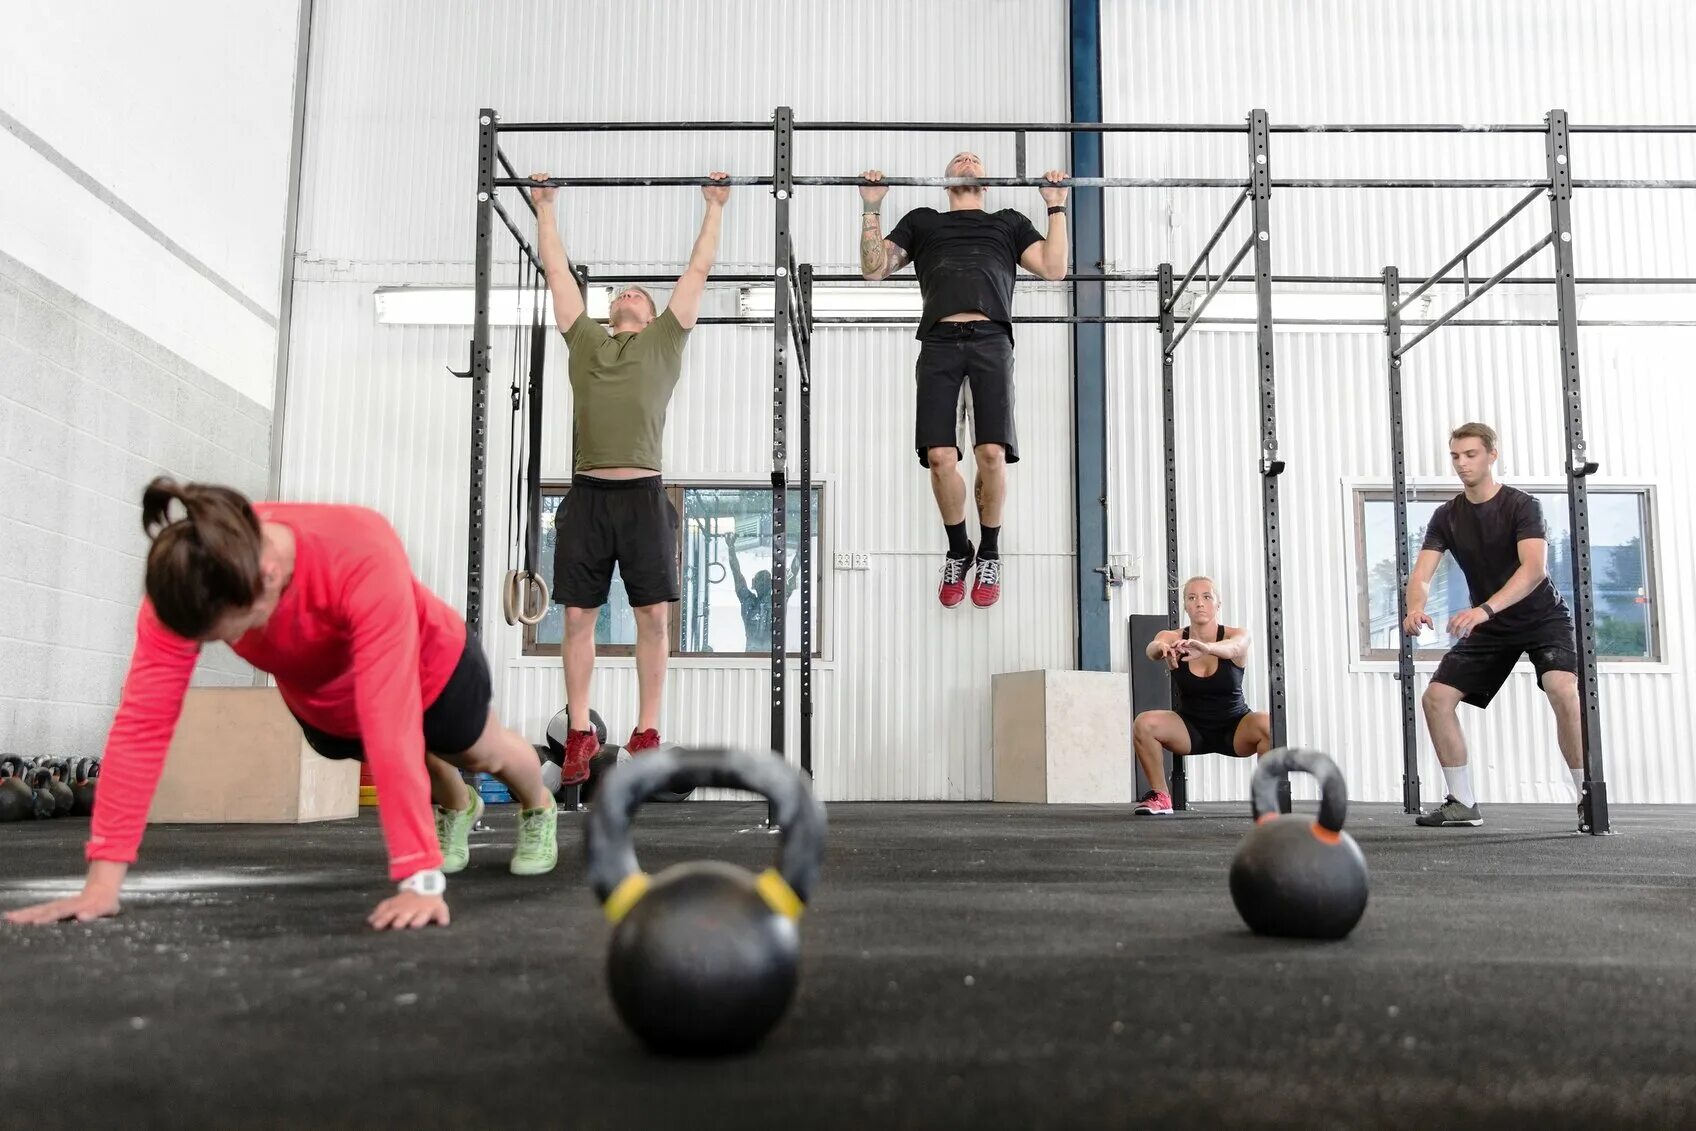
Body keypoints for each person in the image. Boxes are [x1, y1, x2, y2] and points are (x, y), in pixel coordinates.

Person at [4, 479, 556, 932]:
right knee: (402, 753)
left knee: (479, 752)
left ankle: (538, 807)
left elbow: (390, 717)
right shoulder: (188, 580)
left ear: (267, 579)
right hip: (328, 706)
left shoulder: (358, 549)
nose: (219, 644)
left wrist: (420, 878)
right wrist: (102, 884)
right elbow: (142, 725)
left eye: (227, 633)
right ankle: (456, 808)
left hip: (431, 668)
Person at [532, 170, 729, 780]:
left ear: (648, 313)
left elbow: (695, 273)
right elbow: (559, 274)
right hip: (587, 496)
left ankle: (646, 731)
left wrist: (714, 206)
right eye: (622, 291)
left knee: (653, 617)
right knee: (576, 618)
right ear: (610, 308)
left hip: (644, 495)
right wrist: (544, 207)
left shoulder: (666, 341)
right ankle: (581, 733)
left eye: (639, 293)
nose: (630, 293)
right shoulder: (585, 340)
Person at [857, 153, 1070, 609]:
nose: (969, 161)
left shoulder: (1007, 224)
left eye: (975, 159)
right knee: (939, 457)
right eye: (960, 159)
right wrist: (872, 205)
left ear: (985, 182)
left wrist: (1055, 206)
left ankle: (989, 551)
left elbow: (1054, 268)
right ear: (946, 180)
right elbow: (874, 268)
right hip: (939, 343)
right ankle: (959, 549)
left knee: (991, 454)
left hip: (992, 339)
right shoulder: (924, 222)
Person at [1403, 422, 1585, 829]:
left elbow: (1534, 570)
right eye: (1455, 456)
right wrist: (1415, 607)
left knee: (1563, 689)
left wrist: (1483, 610)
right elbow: (1421, 576)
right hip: (1491, 625)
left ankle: (1586, 795)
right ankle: (1462, 803)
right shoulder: (1446, 516)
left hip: (1541, 618)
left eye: (1470, 455)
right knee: (1435, 699)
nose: (1462, 463)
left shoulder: (1522, 505)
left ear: (1491, 455)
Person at [1131, 576, 1272, 816]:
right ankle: (1161, 797)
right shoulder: (1174, 637)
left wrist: (1207, 648)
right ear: (1185, 605)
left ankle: (1268, 798)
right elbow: (1153, 647)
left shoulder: (1236, 634)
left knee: (1269, 724)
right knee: (1144, 723)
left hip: (1234, 727)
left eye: (1207, 597)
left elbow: (1235, 648)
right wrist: (1162, 649)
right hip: (1190, 729)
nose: (1199, 603)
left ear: (1218, 604)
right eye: (1192, 598)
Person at [723, 532, 799, 652]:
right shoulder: (752, 600)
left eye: (765, 580)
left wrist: (731, 547)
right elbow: (736, 573)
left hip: (765, 654)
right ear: (755, 585)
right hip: (758, 653)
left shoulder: (774, 601)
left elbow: (794, 571)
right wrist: (730, 548)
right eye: (761, 581)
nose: (764, 583)